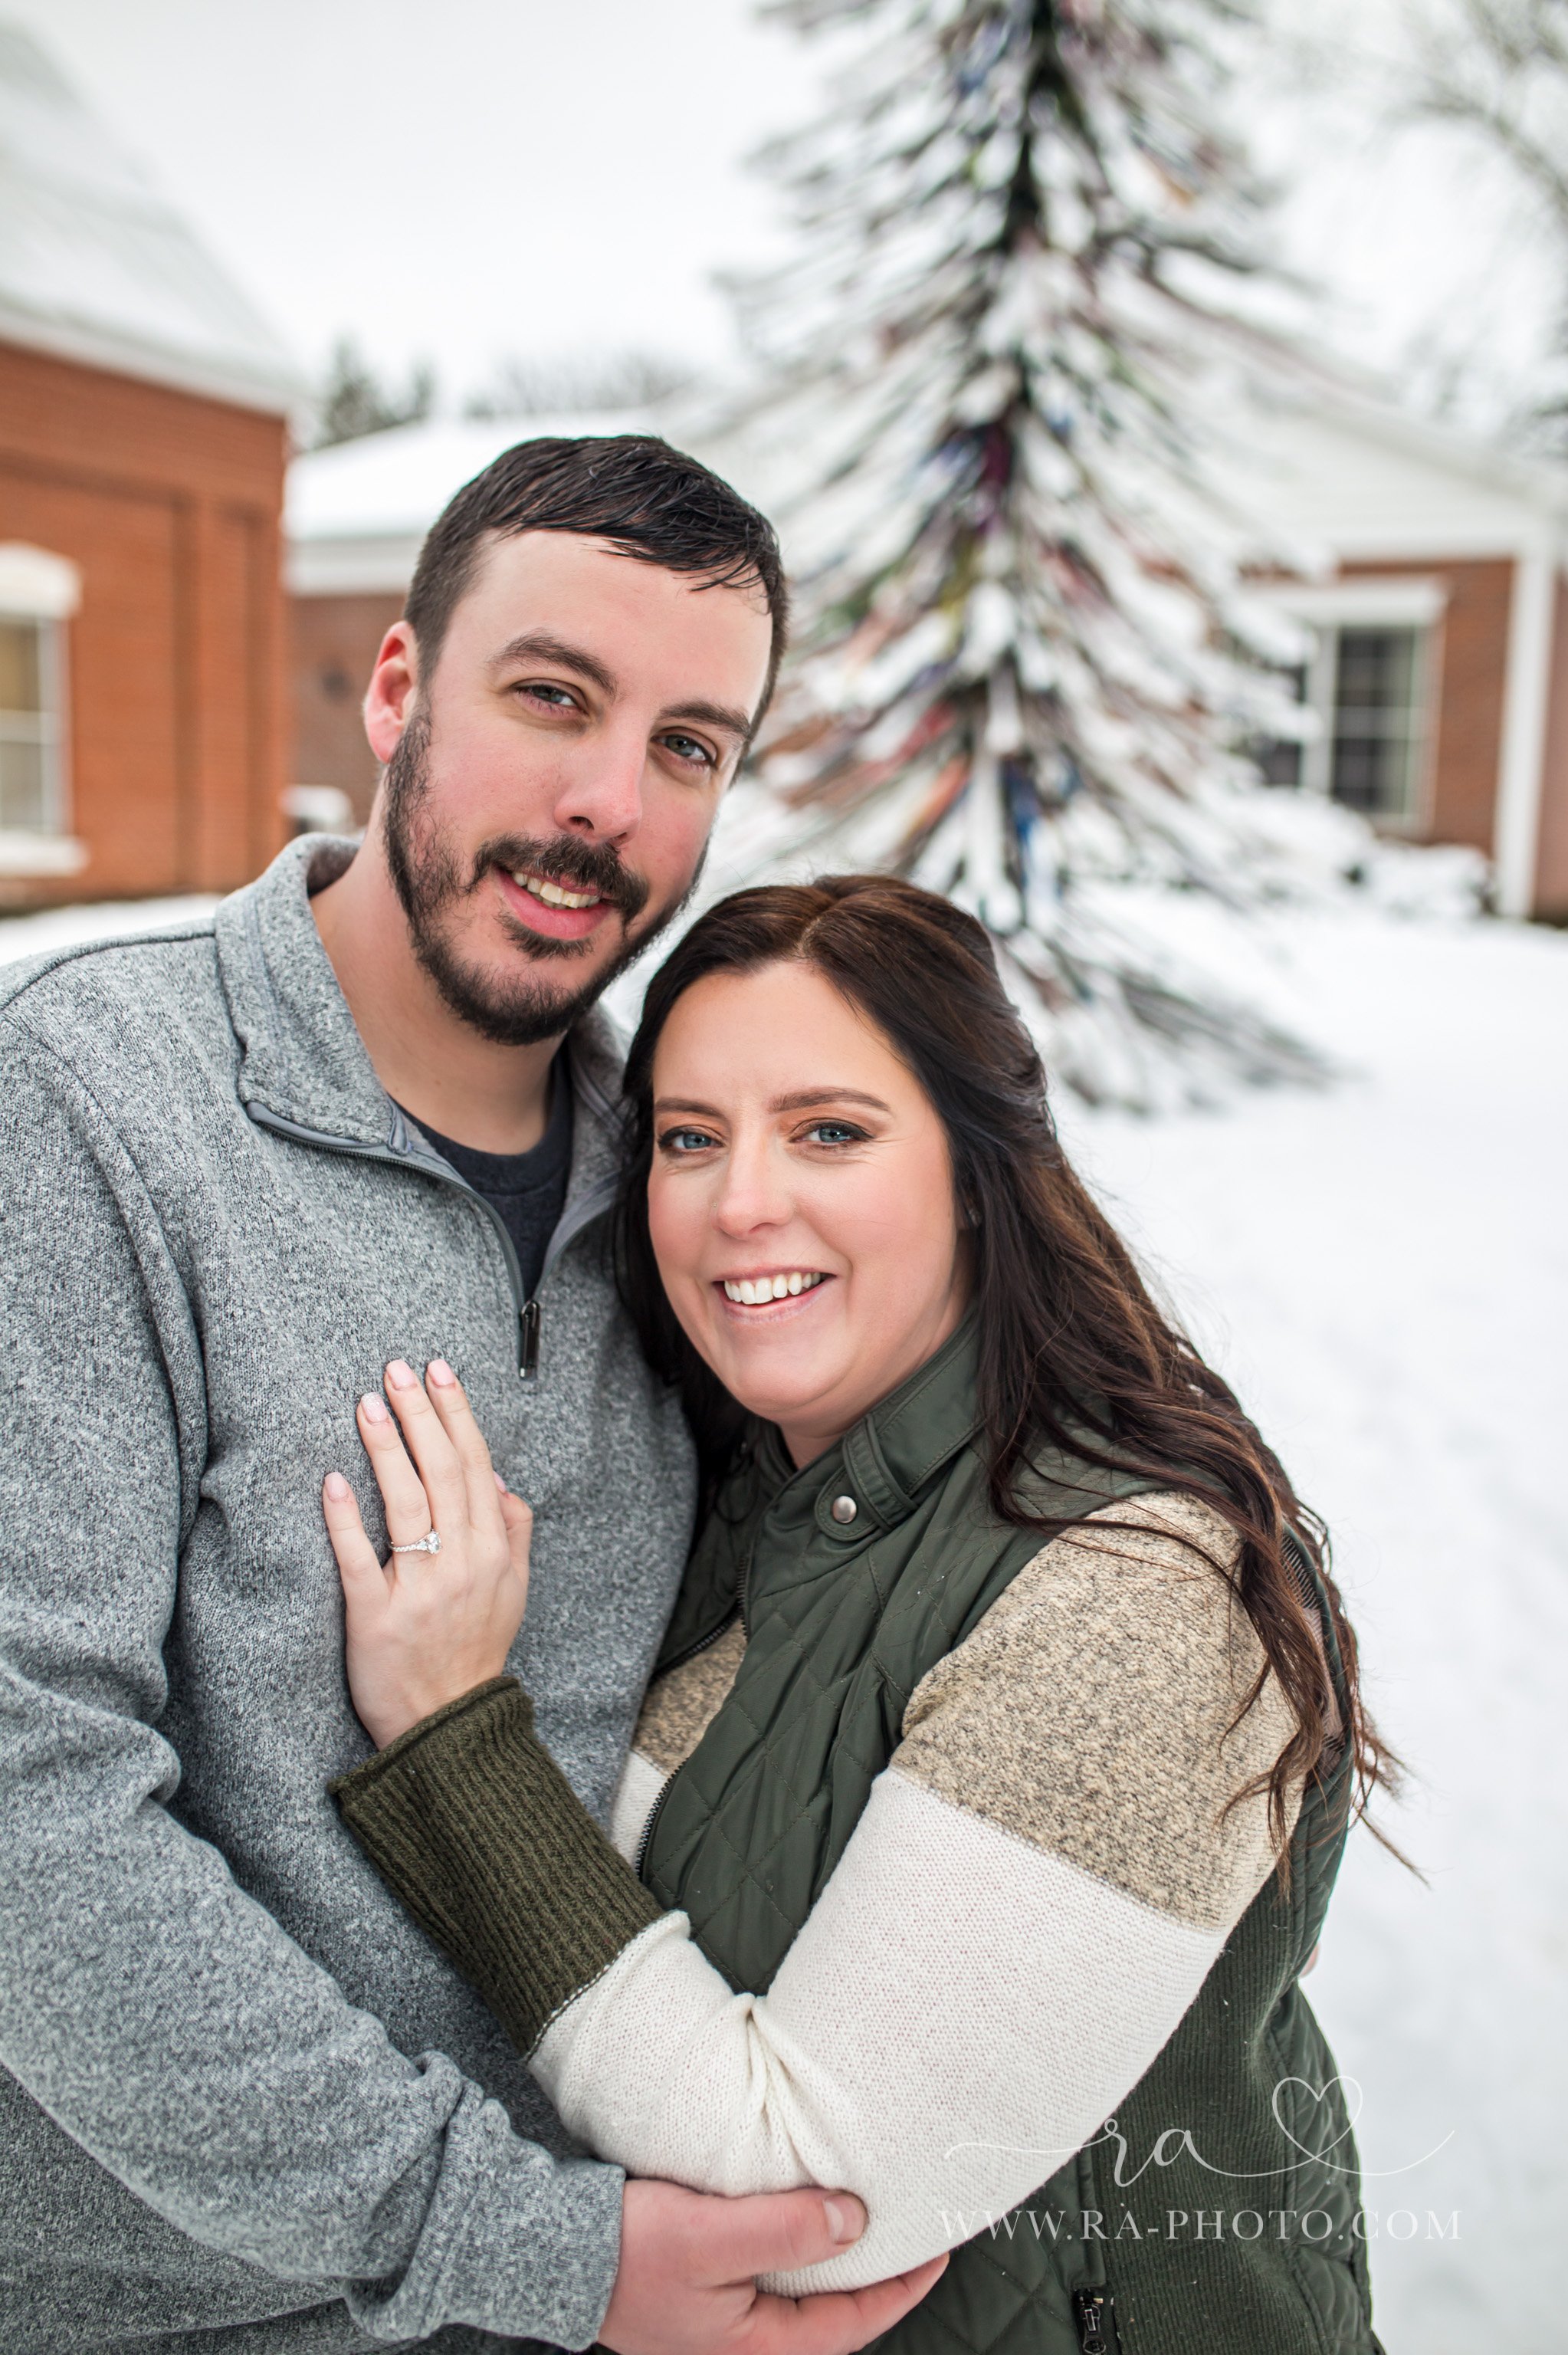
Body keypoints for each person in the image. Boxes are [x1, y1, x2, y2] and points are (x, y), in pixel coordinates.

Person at [0, 437, 940, 2354]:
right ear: (400, 689)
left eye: (690, 746)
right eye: (553, 698)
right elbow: (28, 1805)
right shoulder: (92, 1105)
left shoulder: (687, 1188)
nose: (608, 805)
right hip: (176, 2316)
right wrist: (510, 2240)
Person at [320, 876, 1392, 2355]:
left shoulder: (1139, 1591)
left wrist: (454, 1737)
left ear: (977, 1167)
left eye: (829, 1129)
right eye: (690, 1139)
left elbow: (807, 2199)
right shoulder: (740, 1491)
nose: (741, 1199)